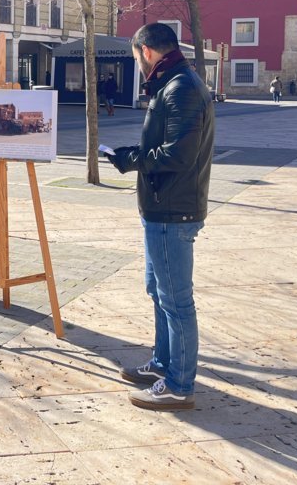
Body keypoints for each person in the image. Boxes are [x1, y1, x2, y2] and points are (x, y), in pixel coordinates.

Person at [105, 23, 214, 411]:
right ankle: (164, 364)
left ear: (146, 51)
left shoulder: (181, 87)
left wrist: (130, 160)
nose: (138, 62)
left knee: (176, 301)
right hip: (162, 207)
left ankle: (179, 385)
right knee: (158, 292)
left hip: (172, 210)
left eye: (137, 56)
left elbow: (177, 155)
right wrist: (131, 152)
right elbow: (166, 143)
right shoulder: (174, 83)